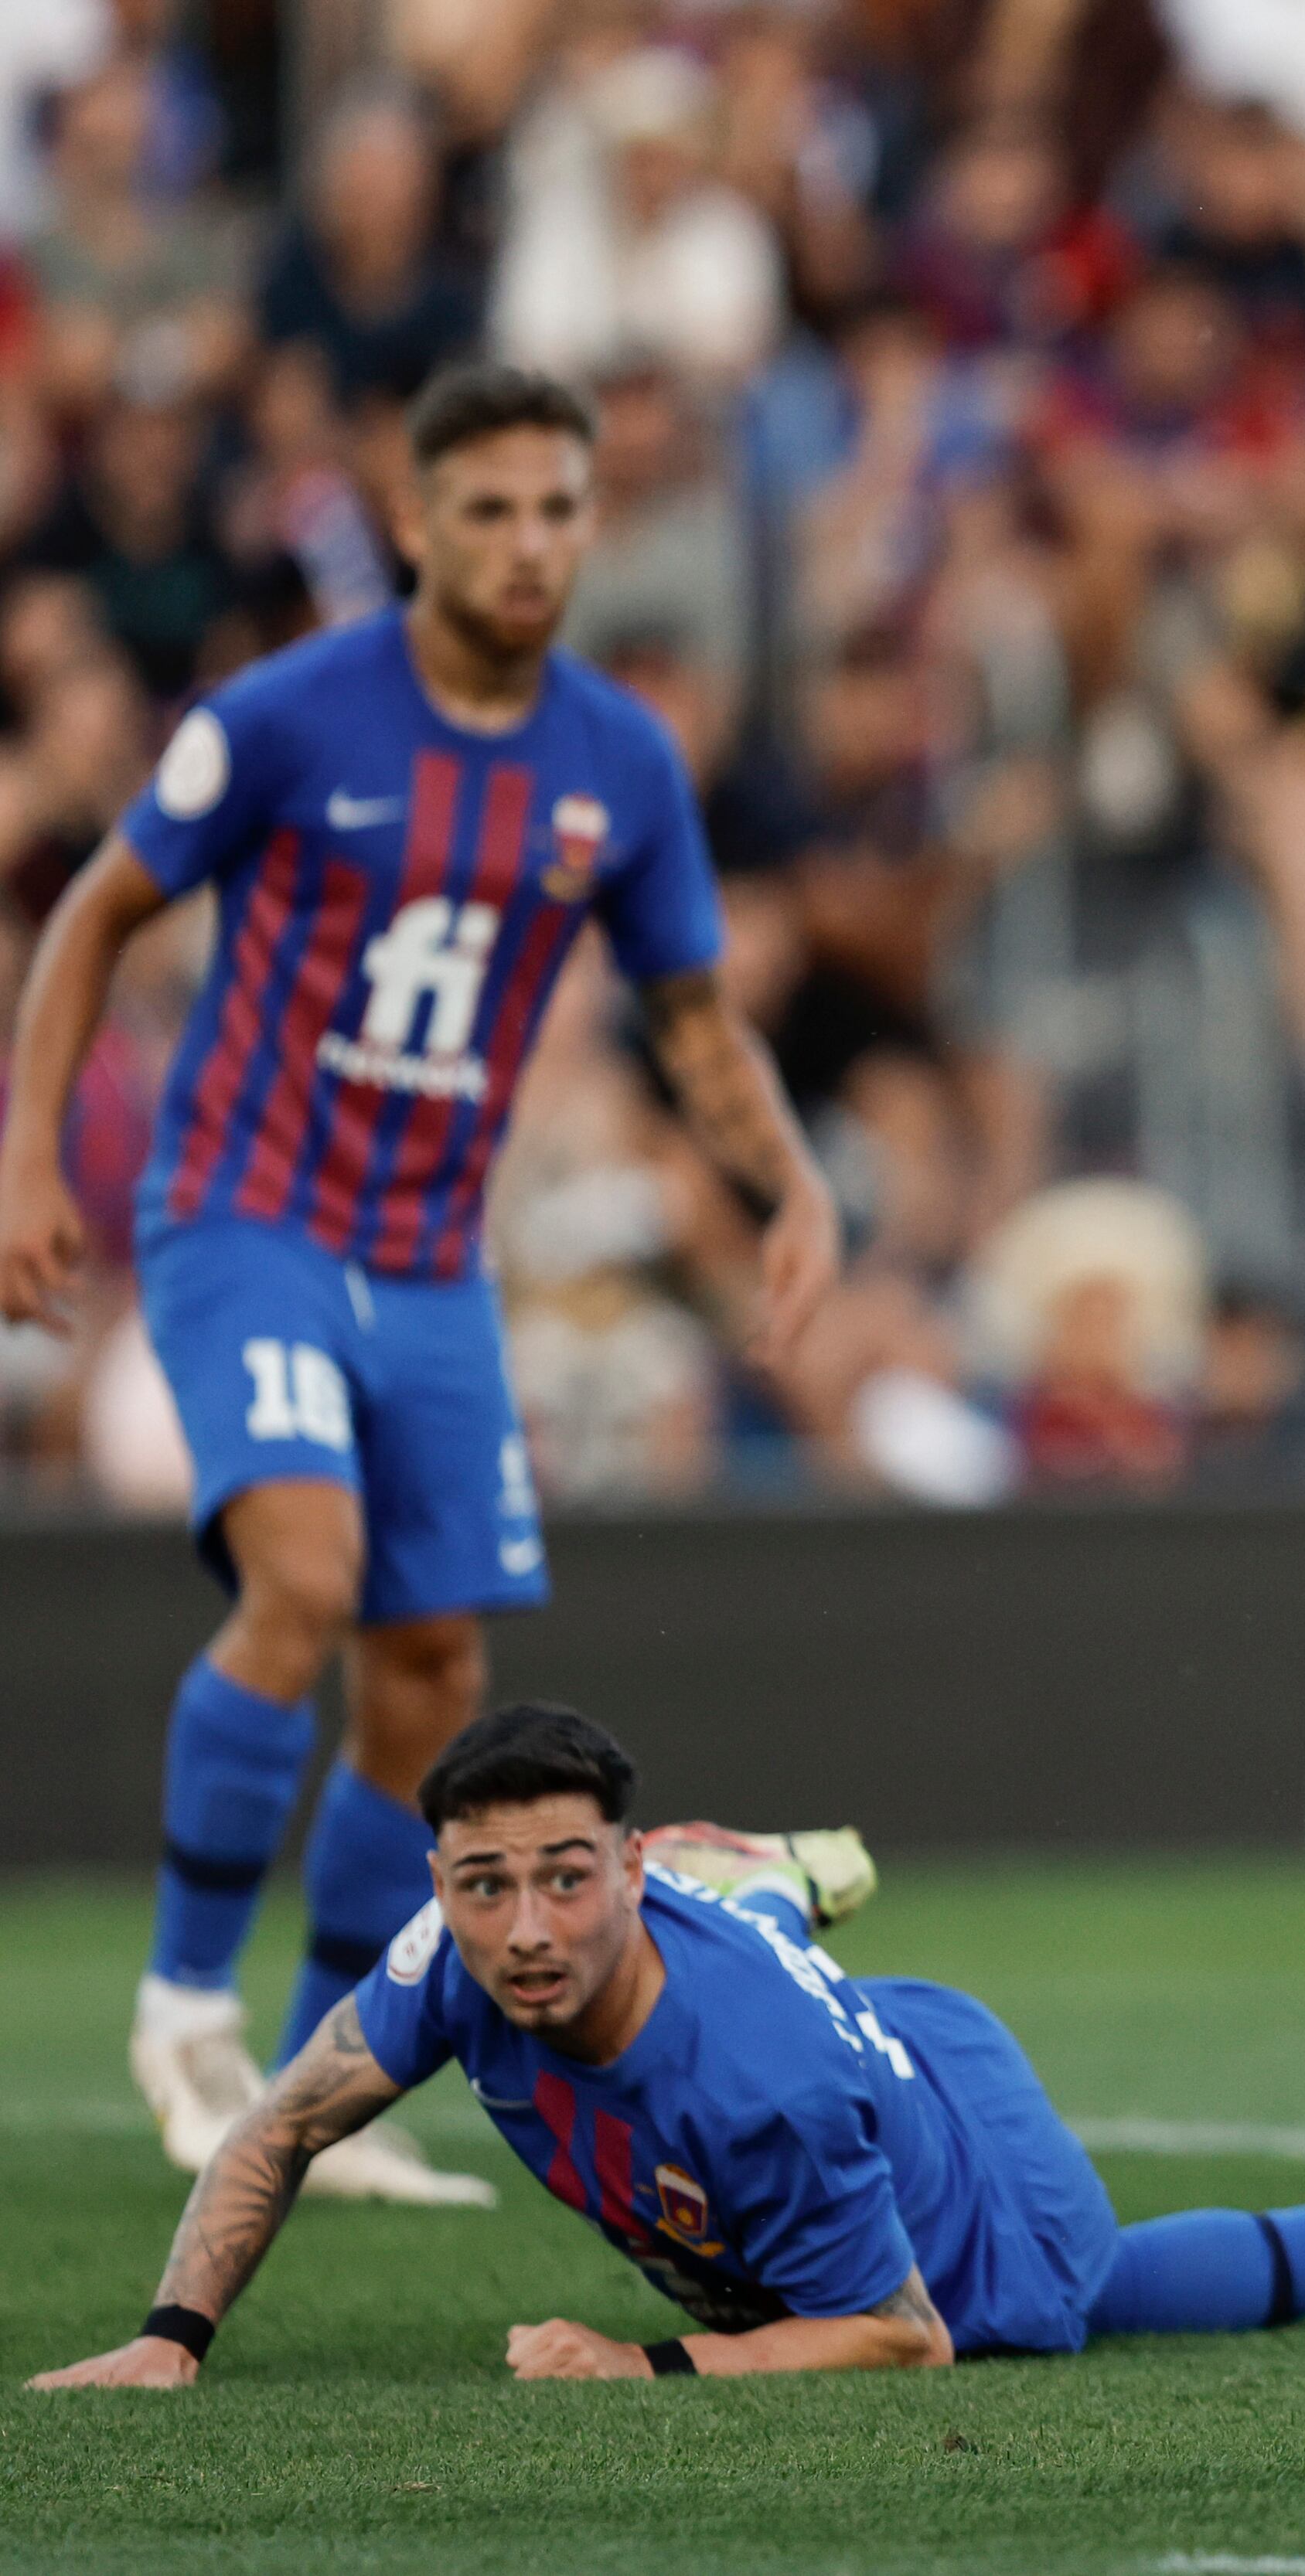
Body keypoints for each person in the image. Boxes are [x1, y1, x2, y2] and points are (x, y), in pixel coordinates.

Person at [0, 363, 845, 2207]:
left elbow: (695, 1016)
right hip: (248, 1215)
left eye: (558, 508)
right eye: (489, 509)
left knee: (431, 1674)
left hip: (433, 1260)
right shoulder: (294, 714)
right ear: (413, 521)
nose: (529, 542)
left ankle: (308, 2090)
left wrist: (784, 1178)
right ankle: (177, 1998)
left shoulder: (617, 759)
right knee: (301, 1574)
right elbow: (95, 912)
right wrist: (26, 1155)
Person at [24, 1703, 1305, 2391]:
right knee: (753, 2002)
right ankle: (781, 1876)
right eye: (482, 1880)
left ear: (628, 1865)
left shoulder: (755, 2090)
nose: (520, 1926)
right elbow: (280, 2123)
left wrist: (641, 2361)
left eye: (567, 1875)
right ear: (436, 1881)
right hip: (839, 2024)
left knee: (1075, 2297)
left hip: (963, 2154)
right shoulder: (452, 1952)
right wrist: (171, 2331)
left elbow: (899, 2339)